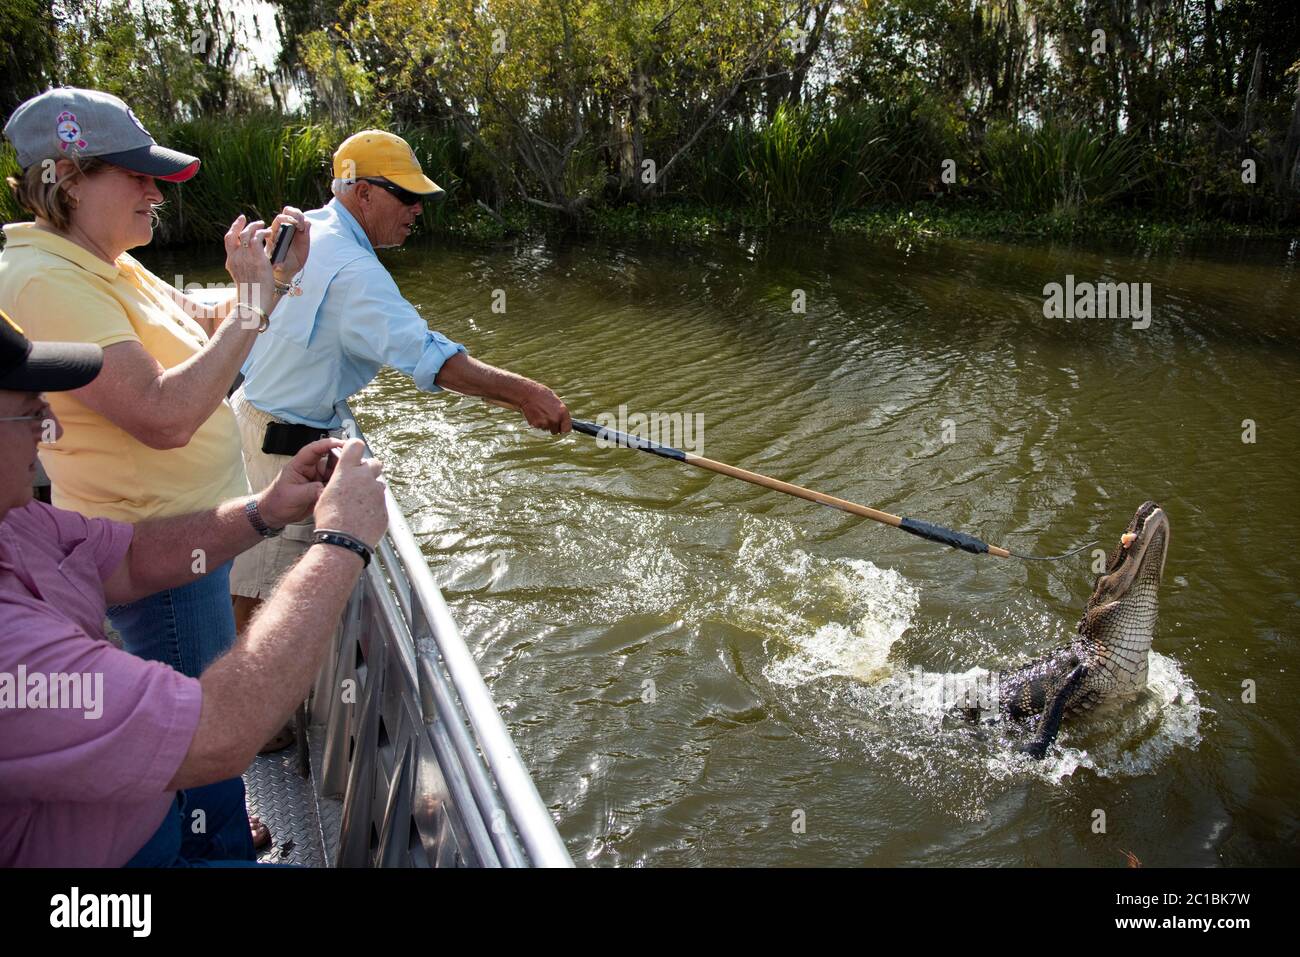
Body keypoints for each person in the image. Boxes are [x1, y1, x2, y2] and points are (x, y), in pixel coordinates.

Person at [0, 310, 388, 866]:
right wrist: (340, 544)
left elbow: (131, 558)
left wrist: (268, 508)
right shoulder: (11, 647)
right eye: (30, 415)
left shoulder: (16, 523)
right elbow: (218, 735)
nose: (51, 430)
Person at [0, 87, 310, 682]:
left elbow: (205, 329)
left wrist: (269, 276)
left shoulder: (105, 259)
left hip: (194, 540)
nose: (155, 190)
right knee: (196, 744)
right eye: (137, 174)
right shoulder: (47, 281)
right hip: (157, 563)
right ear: (67, 178)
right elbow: (163, 416)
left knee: (198, 723)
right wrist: (250, 306)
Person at [229, 129, 570, 629]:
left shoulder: (312, 229)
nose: (418, 210)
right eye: (407, 197)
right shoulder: (354, 270)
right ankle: (244, 705)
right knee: (260, 606)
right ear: (362, 192)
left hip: (255, 426)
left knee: (253, 591)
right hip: (278, 450)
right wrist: (527, 394)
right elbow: (431, 359)